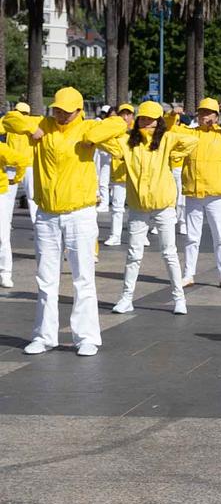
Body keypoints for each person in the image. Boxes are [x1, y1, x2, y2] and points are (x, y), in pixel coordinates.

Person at [2, 87, 127, 356]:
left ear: (79, 111)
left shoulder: (88, 128)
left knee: (83, 277)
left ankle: (87, 337)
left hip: (79, 213)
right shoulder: (43, 125)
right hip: (46, 214)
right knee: (46, 279)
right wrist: (30, 128)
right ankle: (43, 336)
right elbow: (9, 119)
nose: (60, 114)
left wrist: (93, 137)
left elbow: (119, 125)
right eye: (57, 109)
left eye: (67, 111)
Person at [91, 101, 198, 315]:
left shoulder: (166, 139)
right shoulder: (127, 142)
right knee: (133, 254)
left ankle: (179, 298)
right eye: (143, 118)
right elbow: (99, 140)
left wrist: (170, 130)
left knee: (169, 253)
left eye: (151, 119)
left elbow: (192, 141)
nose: (147, 122)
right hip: (138, 205)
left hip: (163, 204)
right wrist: (118, 125)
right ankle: (126, 298)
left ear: (159, 121)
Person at [166, 98, 221, 289]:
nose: (205, 116)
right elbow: (168, 130)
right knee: (191, 237)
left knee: (220, 236)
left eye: (209, 112)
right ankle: (189, 274)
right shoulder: (189, 133)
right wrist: (172, 115)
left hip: (216, 193)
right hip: (194, 192)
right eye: (202, 112)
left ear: (217, 116)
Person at [0, 119, 32, 288]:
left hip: (0, 194)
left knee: (2, 235)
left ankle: (5, 273)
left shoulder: (1, 148)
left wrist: (16, 179)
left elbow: (21, 160)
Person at [103, 103, 135, 246]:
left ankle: (139, 235)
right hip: (119, 174)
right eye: (123, 114)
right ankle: (115, 235)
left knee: (138, 208)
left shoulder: (137, 133)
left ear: (132, 116)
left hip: (135, 175)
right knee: (117, 207)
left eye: (128, 114)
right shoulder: (114, 133)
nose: (125, 117)